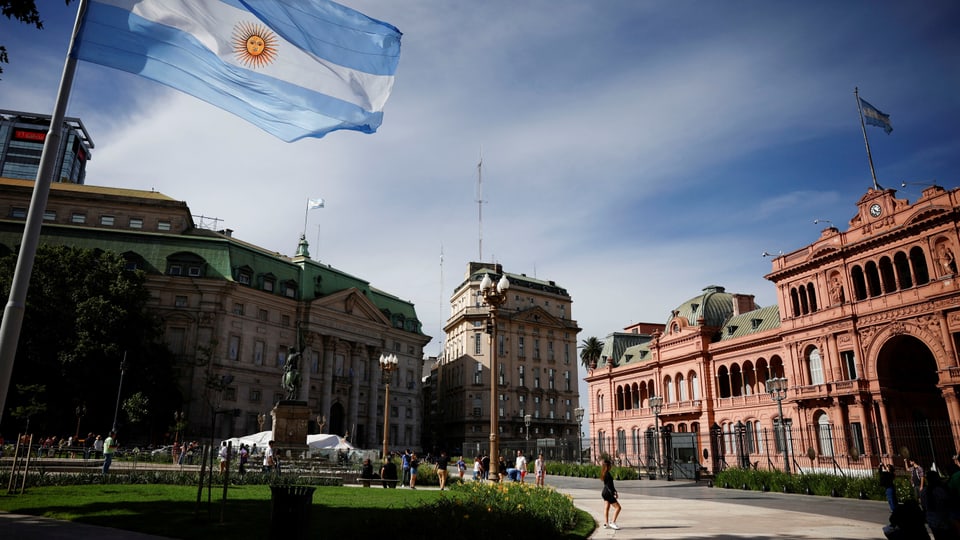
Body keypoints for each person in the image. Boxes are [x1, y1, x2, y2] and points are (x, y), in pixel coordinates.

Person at [601, 458, 622, 530]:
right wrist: (614, 493)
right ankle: (613, 522)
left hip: (604, 492)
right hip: (608, 493)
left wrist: (615, 491)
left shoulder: (604, 473)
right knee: (618, 508)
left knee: (607, 508)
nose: (611, 466)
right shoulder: (608, 474)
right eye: (610, 465)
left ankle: (606, 523)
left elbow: (608, 485)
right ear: (608, 466)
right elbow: (610, 486)